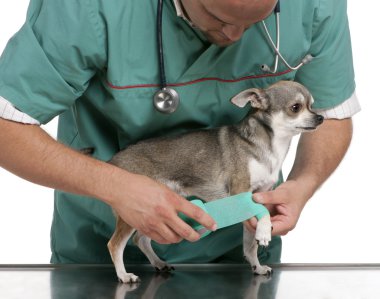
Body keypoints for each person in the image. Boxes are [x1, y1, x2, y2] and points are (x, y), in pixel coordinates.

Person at [0, 0, 359, 265]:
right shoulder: (84, 7)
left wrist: (304, 183)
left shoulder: (316, 5)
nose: (235, 37)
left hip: (236, 255)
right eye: (219, 17)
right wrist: (115, 185)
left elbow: (332, 111)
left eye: (255, 22)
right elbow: (6, 125)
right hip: (100, 256)